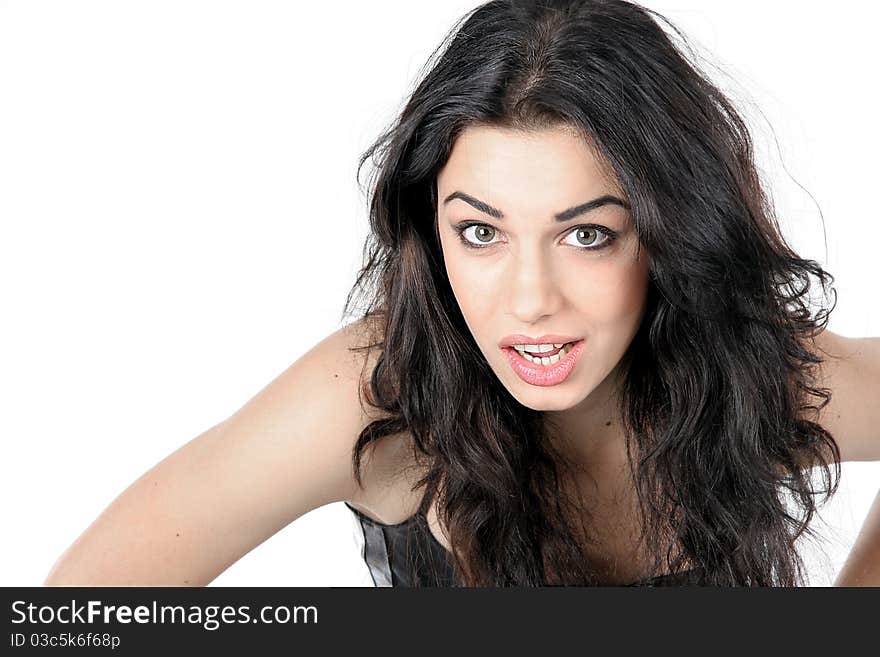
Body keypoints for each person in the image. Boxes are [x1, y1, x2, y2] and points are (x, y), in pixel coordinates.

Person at [44, 0, 880, 587]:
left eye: (587, 234)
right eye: (481, 232)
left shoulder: (766, 376)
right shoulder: (374, 399)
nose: (528, 299)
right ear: (429, 230)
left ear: (672, 234)